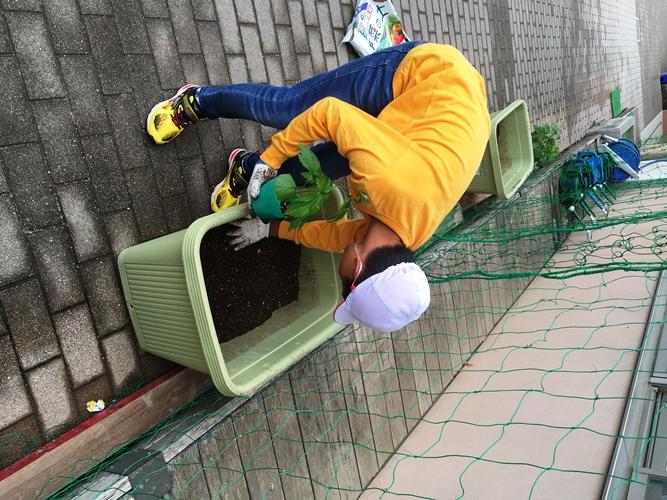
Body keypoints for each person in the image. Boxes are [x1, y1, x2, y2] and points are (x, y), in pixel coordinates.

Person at [146, 41, 491, 332]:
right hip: (425, 76)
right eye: (346, 289)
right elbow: (329, 113)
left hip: (423, 132)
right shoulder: (384, 180)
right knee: (288, 109)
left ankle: (245, 167)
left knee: (312, 171)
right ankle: (197, 101)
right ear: (357, 268)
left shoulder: (399, 242)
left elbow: (337, 237)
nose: (341, 287)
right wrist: (272, 157)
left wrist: (271, 231)